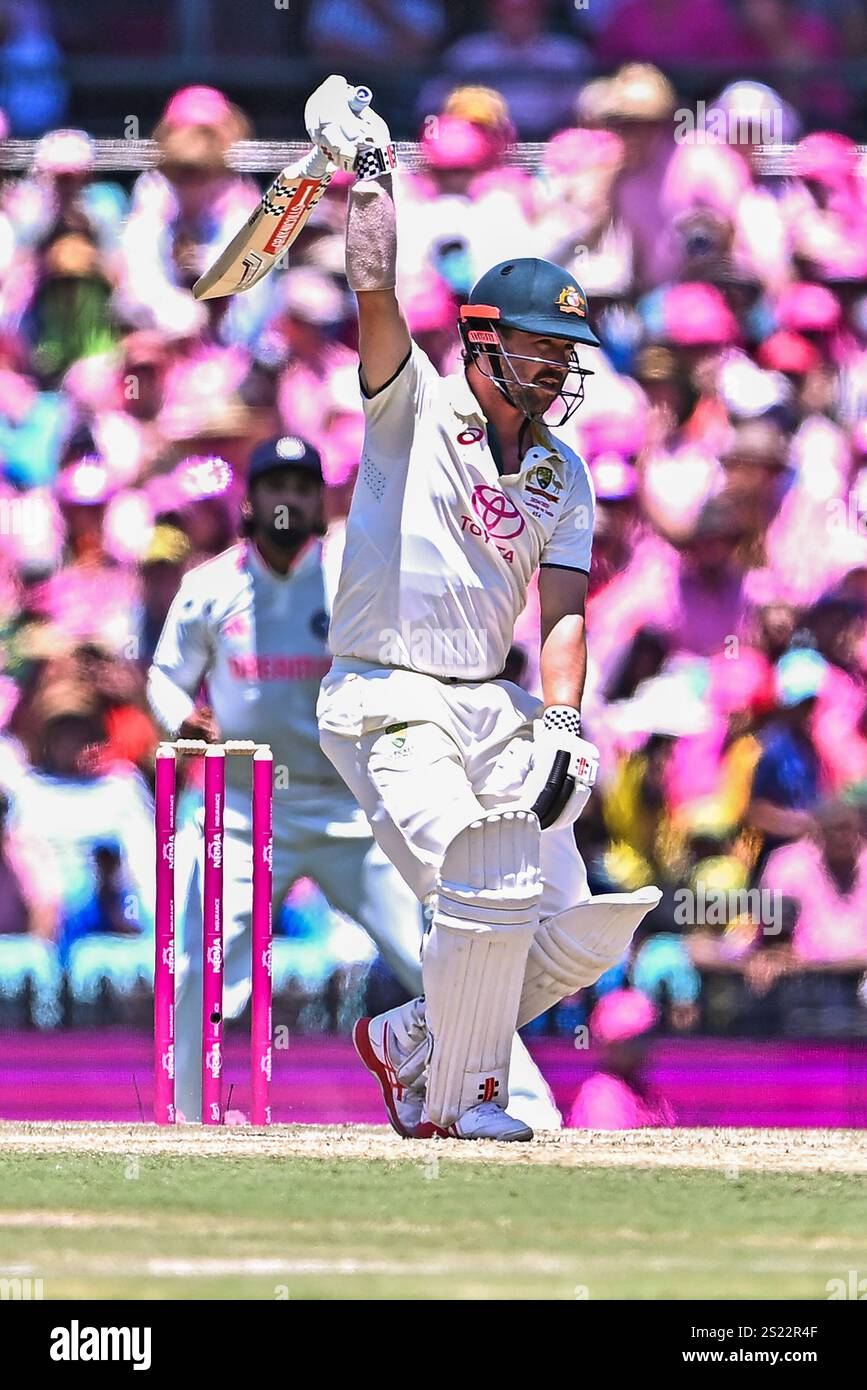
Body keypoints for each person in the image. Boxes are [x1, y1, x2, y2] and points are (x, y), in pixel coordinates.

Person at [305, 76, 660, 1142]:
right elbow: (376, 295)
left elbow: (562, 614)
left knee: (591, 925)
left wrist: (561, 719)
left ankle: (413, 1039)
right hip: (385, 692)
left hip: (494, 704)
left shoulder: (563, 475)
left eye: (567, 356)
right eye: (543, 349)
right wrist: (368, 182)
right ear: (485, 336)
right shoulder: (411, 400)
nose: (557, 371)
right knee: (484, 884)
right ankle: (463, 1100)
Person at [146, 433, 559, 1126]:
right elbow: (164, 675)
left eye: (302, 489)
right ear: (249, 503)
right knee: (201, 966)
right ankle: (189, 1120)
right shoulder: (210, 588)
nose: (288, 501)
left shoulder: (351, 577)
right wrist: (182, 716)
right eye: (275, 487)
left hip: (353, 805)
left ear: (320, 502)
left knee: (444, 950)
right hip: (244, 810)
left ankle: (519, 1105)